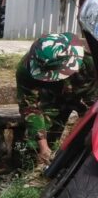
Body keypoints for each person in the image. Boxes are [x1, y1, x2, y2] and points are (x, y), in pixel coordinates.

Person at [16, 32, 98, 165]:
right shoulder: (26, 70)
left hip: (91, 98)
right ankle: (32, 172)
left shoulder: (91, 56)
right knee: (35, 144)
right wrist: (42, 145)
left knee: (91, 140)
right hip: (53, 99)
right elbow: (29, 107)